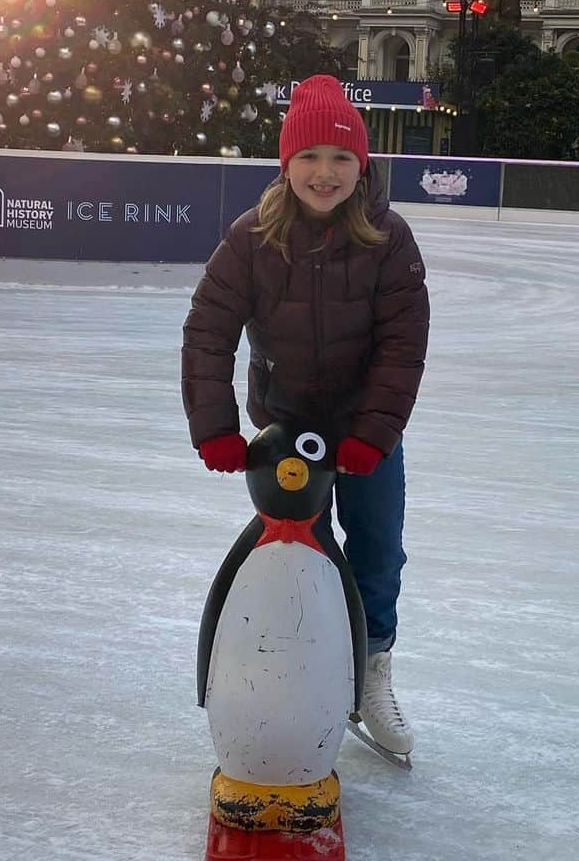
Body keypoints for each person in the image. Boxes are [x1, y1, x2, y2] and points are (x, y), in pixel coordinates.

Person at [181, 74, 430, 756]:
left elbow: (403, 345)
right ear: (286, 164)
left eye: (342, 157)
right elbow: (208, 330)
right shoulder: (251, 239)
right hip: (285, 432)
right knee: (294, 558)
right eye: (310, 157)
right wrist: (217, 429)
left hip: (364, 430)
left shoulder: (389, 238)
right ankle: (298, 677)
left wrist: (374, 434)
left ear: (363, 165)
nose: (326, 173)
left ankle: (373, 671)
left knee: (378, 552)